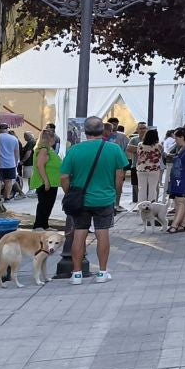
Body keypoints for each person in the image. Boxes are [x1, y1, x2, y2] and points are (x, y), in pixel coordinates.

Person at [59, 116, 128, 284]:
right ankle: (102, 272)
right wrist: (115, 195)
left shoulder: (74, 150)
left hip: (81, 200)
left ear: (85, 131)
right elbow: (120, 177)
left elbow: (64, 177)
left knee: (79, 235)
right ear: (103, 131)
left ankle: (76, 274)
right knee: (102, 233)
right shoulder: (114, 149)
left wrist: (70, 192)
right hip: (104, 198)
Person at [28, 125, 62, 229]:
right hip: (46, 182)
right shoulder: (43, 149)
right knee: (44, 204)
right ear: (50, 139)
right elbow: (40, 165)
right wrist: (46, 181)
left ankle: (44, 225)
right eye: (54, 139)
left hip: (52, 182)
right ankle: (39, 225)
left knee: (48, 204)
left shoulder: (48, 149)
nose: (55, 141)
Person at [132, 128, 166, 208]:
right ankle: (152, 205)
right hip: (154, 169)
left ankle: (141, 206)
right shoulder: (159, 146)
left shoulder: (140, 145)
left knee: (142, 188)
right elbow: (160, 156)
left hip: (141, 169)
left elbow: (138, 155)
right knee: (152, 188)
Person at [0, 125, 21, 201]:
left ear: (0, 130)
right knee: (9, 181)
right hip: (10, 163)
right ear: (7, 129)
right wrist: (16, 162)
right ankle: (6, 197)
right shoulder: (13, 138)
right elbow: (16, 152)